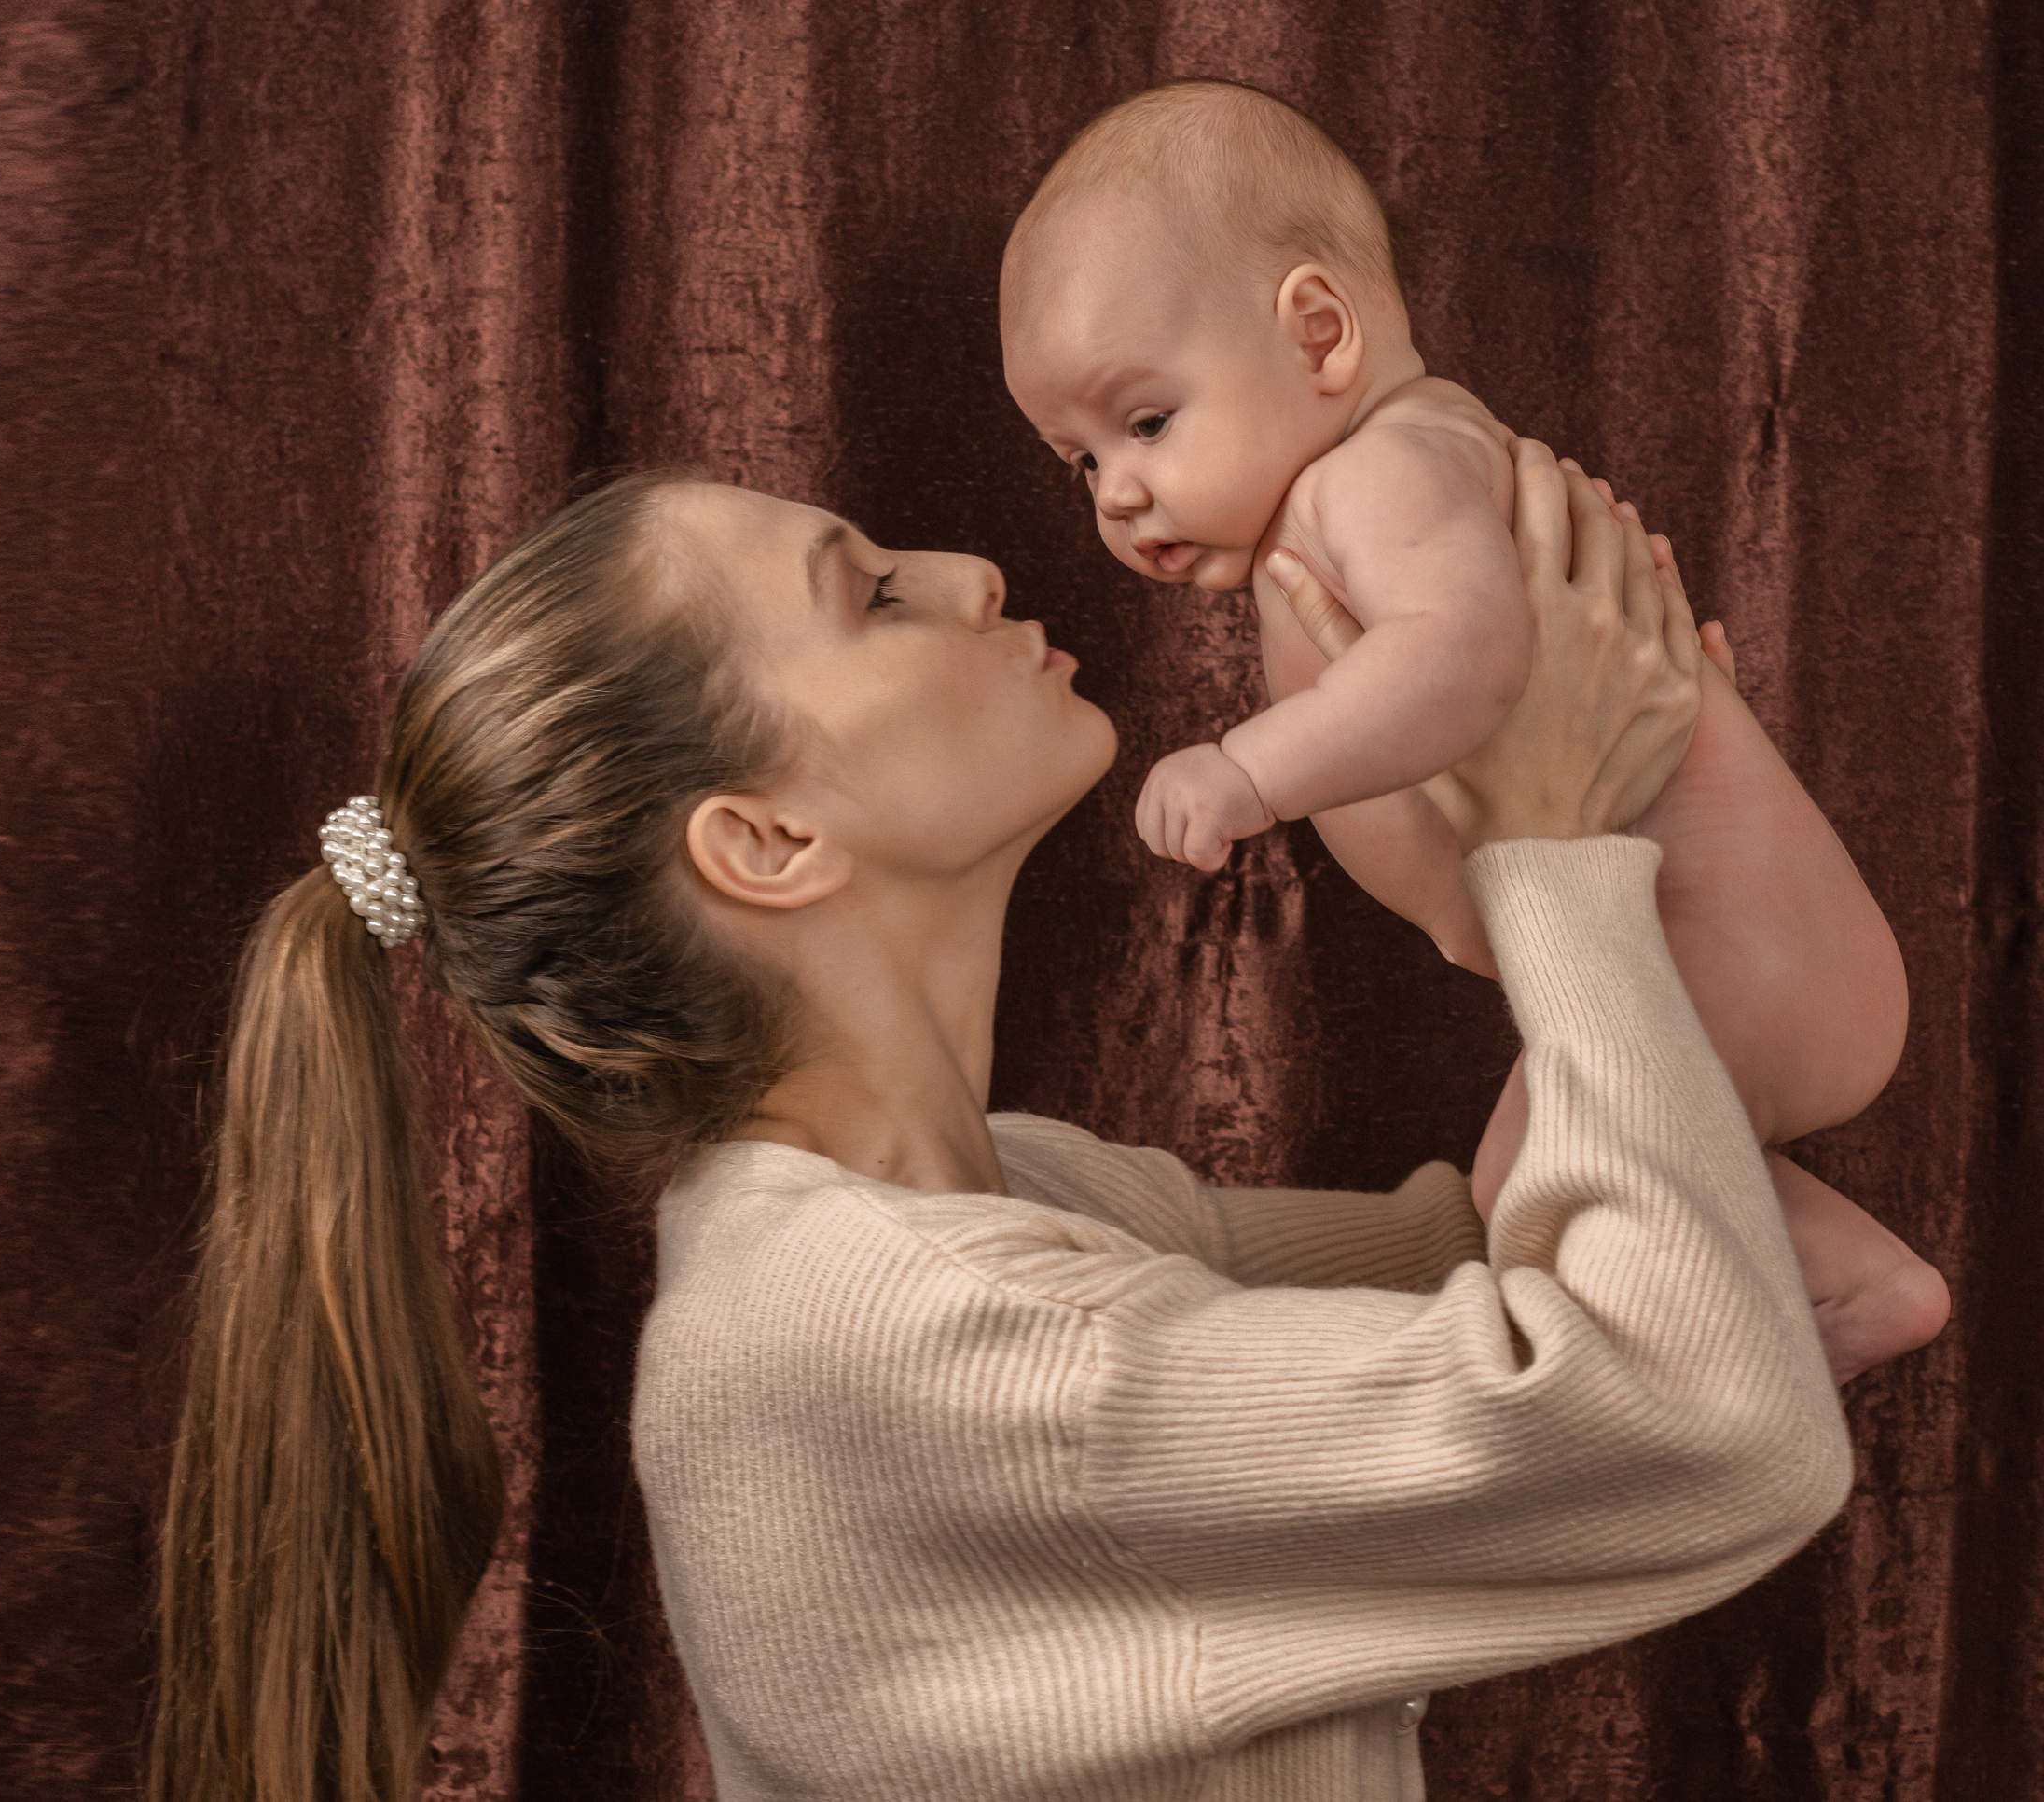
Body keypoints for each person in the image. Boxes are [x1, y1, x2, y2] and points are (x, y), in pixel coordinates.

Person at [151, 443, 1853, 1802]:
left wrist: (1594, 805)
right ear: (762, 845)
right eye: (873, 595)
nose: (970, 571)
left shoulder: (989, 1210)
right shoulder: (930, 1341)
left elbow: (1477, 1271)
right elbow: (1703, 1412)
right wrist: (1552, 857)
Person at [1000, 79, 1948, 1383]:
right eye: (1081, 461)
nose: (1118, 493)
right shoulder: (1369, 474)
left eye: (1146, 421)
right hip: (1733, 952)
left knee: (1525, 1196)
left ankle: (1800, 1349)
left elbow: (1466, 660)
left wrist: (1249, 769)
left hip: (1736, 954)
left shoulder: (1382, 468)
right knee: (1556, 1192)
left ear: (1319, 332)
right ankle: (1850, 1291)